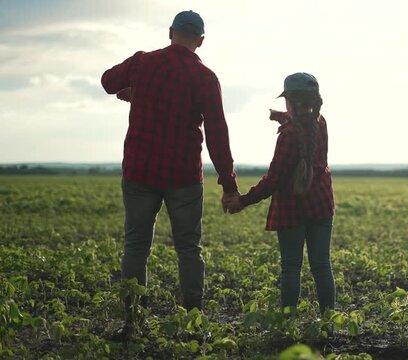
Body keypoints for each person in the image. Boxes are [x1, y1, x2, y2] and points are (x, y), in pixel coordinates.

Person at [101, 10, 239, 336]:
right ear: (200, 41)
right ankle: (193, 323)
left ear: (170, 33)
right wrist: (229, 184)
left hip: (139, 170)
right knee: (189, 248)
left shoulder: (143, 62)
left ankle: (133, 323)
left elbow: (108, 82)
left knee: (135, 246)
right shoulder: (205, 77)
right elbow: (217, 133)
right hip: (184, 175)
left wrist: (137, 91)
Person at [224, 72, 336, 313]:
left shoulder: (288, 136)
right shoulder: (321, 123)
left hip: (292, 209)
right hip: (321, 204)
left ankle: (287, 323)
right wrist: (280, 117)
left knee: (291, 267)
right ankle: (329, 321)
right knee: (322, 266)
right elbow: (302, 122)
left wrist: (243, 201)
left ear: (290, 101)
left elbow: (273, 179)